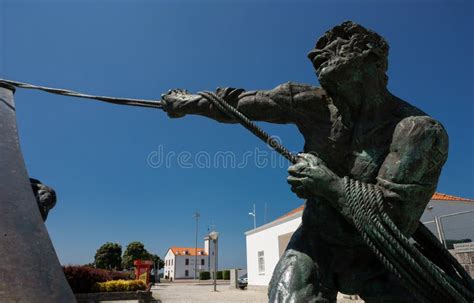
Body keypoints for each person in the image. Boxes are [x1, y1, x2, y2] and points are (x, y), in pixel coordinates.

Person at [161, 21, 448, 302]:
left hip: (379, 256)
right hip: (315, 243)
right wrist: (189, 102)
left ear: (371, 56)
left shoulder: (417, 131)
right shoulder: (312, 105)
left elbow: (394, 215)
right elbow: (239, 104)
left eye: (336, 43)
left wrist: (326, 183)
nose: (315, 54)